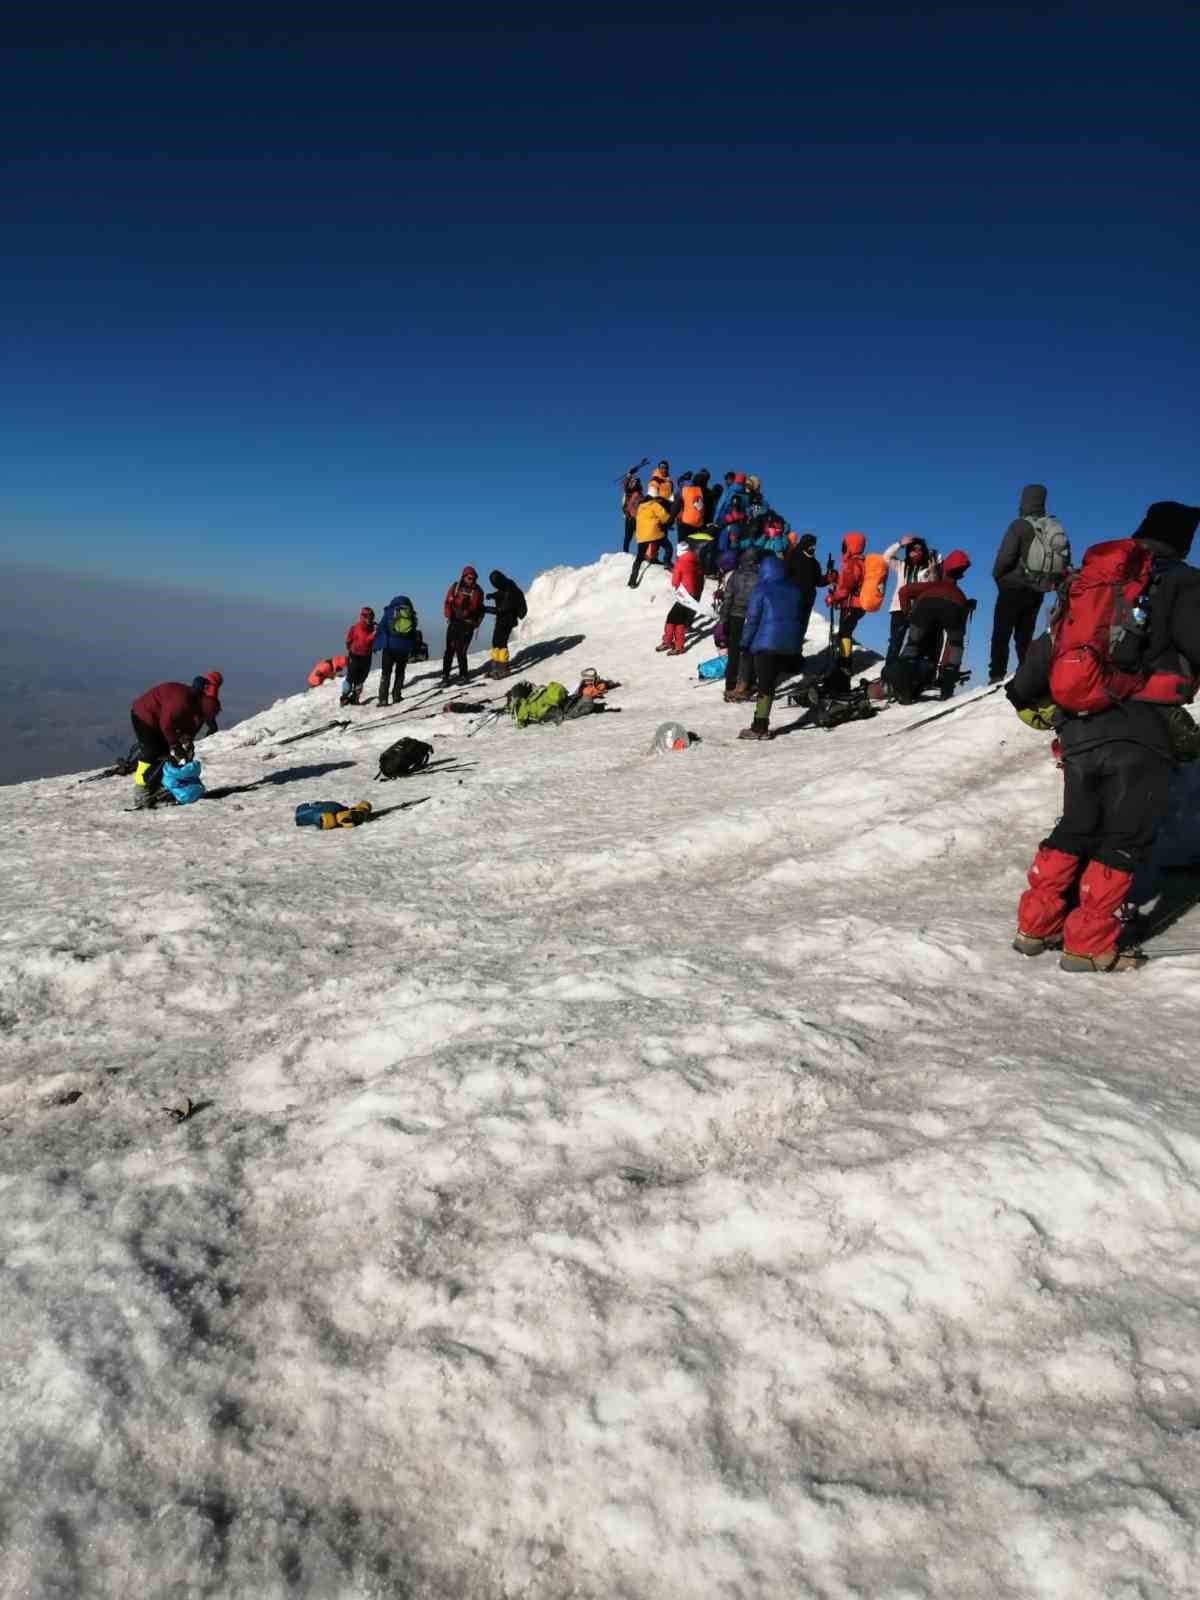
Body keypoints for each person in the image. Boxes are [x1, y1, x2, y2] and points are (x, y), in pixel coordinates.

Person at [1009, 501, 1200, 973]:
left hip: (1078, 728)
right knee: (1123, 837)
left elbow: (1044, 654)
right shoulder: (1182, 580)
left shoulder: (1091, 581)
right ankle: (1089, 945)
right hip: (1140, 728)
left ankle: (1036, 926)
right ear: (1184, 540)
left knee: (1075, 825)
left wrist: (1030, 695)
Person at [990, 483, 1055, 681]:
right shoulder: (1050, 527)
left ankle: (997, 675)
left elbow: (1005, 557)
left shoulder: (1019, 525)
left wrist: (998, 576)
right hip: (1036, 589)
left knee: (1002, 632)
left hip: (1013, 585)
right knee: (1024, 634)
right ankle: (1026, 672)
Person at [891, 549, 974, 702]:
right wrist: (966, 607)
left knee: (912, 645)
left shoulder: (932, 585)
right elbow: (956, 630)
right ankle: (947, 691)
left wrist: (908, 614)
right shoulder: (958, 592)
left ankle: (904, 691)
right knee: (956, 645)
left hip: (925, 606)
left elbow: (904, 591)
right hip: (955, 604)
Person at [129, 673, 223, 809]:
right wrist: (175, 745)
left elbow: (192, 723)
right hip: (143, 715)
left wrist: (187, 741)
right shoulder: (181, 702)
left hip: (157, 717)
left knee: (164, 754)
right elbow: (166, 725)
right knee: (153, 752)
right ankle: (141, 793)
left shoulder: (197, 703)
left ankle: (155, 788)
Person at [737, 553, 805, 740]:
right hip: (790, 645)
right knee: (773, 681)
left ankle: (759, 727)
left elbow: (752, 620)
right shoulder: (794, 590)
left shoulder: (762, 589)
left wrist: (744, 643)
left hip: (767, 644)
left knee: (765, 686)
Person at [881, 535, 939, 682]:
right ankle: (888, 678)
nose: (915, 552)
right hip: (899, 609)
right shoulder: (901, 566)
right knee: (895, 643)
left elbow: (934, 586)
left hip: (918, 611)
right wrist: (899, 543)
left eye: (919, 549)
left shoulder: (927, 569)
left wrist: (933, 570)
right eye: (912, 549)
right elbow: (885, 557)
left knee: (915, 643)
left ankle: (908, 677)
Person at [823, 532, 868, 693]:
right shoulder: (861, 562)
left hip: (850, 606)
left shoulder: (852, 563)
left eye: (845, 544)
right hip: (857, 605)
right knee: (845, 634)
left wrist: (832, 598)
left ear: (850, 545)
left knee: (844, 635)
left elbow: (845, 589)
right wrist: (836, 578)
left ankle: (844, 669)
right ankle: (843, 669)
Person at [721, 546, 762, 701]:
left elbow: (728, 598)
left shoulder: (735, 575)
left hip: (734, 617)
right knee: (749, 652)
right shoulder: (760, 577)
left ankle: (730, 686)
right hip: (751, 618)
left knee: (733, 652)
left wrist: (723, 619)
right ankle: (748, 684)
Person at [782, 533, 830, 655]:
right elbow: (785, 575)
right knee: (791, 629)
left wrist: (829, 578)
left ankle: (796, 656)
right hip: (792, 600)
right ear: (804, 544)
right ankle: (785, 657)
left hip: (807, 601)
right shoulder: (793, 557)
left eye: (814, 545)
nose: (813, 548)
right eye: (811, 545)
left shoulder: (814, 563)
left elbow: (818, 581)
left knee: (802, 630)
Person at [656, 539, 705, 655]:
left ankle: (676, 645)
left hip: (683, 594)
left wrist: (677, 577)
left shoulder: (680, 562)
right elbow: (700, 578)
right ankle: (671, 642)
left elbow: (674, 582)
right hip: (692, 594)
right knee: (678, 618)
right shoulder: (695, 561)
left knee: (673, 619)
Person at [373, 595, 419, 704]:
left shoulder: (389, 612)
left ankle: (383, 699)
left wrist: (377, 643)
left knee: (386, 673)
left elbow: (381, 628)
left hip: (390, 648)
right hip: (404, 648)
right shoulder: (411, 614)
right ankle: (396, 696)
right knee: (400, 672)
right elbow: (413, 633)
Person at [443, 567, 485, 685]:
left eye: (473, 578)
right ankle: (445, 675)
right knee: (449, 650)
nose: (471, 580)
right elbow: (447, 602)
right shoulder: (455, 587)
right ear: (464, 577)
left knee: (461, 651)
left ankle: (463, 675)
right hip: (454, 622)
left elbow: (478, 608)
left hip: (467, 625)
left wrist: (472, 618)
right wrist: (448, 615)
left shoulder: (477, 591)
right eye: (469, 578)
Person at [483, 570, 527, 678]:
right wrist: (492, 595)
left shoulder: (511, 591)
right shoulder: (506, 584)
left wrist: (486, 609)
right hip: (501, 619)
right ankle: (495, 668)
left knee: (501, 643)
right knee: (495, 642)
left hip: (508, 620)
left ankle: (503, 669)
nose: (495, 586)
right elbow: (500, 593)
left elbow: (502, 609)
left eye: (495, 584)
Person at [629, 492, 672, 587]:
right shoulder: (654, 504)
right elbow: (664, 517)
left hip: (642, 536)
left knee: (639, 558)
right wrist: (669, 520)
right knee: (668, 547)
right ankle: (667, 563)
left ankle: (632, 580)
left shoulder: (640, 508)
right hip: (655, 533)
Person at [341, 607, 376, 706]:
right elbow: (366, 640)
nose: (369, 618)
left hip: (357, 655)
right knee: (353, 678)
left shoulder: (355, 627)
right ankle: (348, 698)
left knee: (357, 679)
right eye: (367, 616)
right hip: (360, 656)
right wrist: (374, 635)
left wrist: (349, 647)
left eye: (371, 616)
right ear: (362, 616)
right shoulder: (372, 629)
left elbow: (348, 640)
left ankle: (349, 698)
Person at [621, 471, 644, 554]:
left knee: (639, 537)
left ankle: (641, 554)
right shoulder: (628, 493)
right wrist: (628, 475)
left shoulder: (639, 494)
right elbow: (624, 484)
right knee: (628, 536)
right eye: (632, 482)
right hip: (630, 517)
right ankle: (625, 552)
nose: (633, 483)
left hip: (636, 518)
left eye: (635, 482)